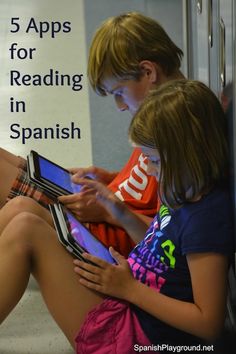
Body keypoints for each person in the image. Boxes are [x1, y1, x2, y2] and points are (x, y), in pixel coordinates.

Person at [0, 80, 233, 353]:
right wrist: (118, 211)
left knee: (25, 230)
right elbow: (161, 245)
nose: (149, 170)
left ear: (188, 155)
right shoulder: (182, 191)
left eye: (154, 161)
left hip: (137, 336)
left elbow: (208, 323)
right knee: (23, 212)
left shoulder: (206, 220)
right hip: (129, 295)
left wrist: (130, 289)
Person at [0, 12, 184, 257]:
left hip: (104, 231)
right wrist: (108, 177)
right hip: (101, 204)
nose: (119, 106)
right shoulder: (159, 114)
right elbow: (148, 182)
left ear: (148, 72)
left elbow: (168, 234)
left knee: (17, 205)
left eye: (119, 92)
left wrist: (107, 211)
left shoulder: (176, 133)